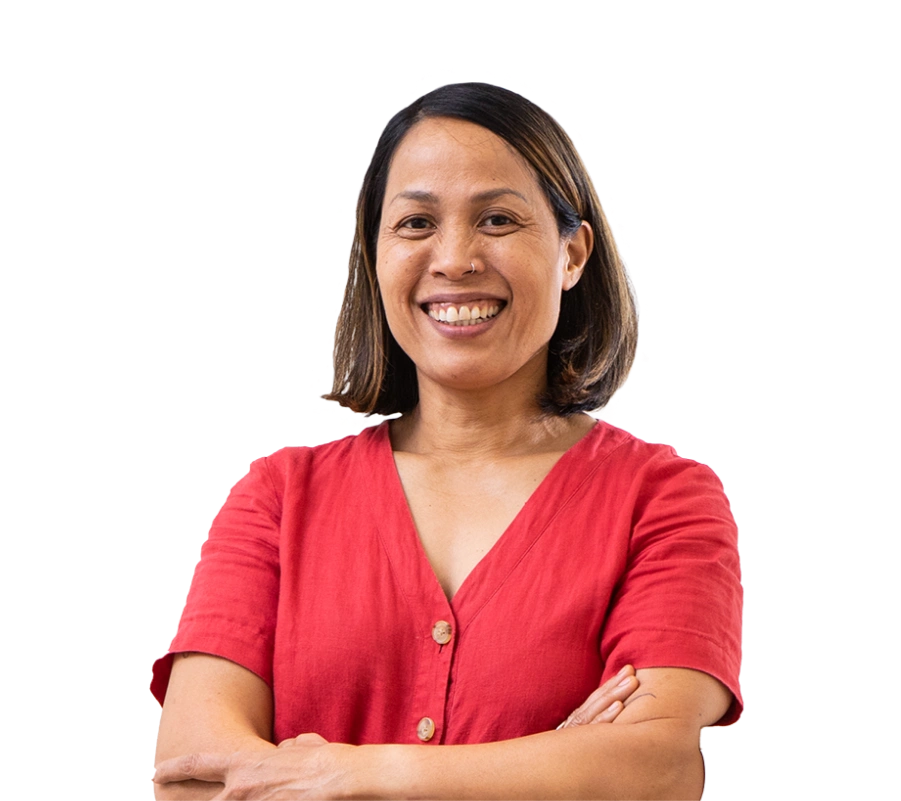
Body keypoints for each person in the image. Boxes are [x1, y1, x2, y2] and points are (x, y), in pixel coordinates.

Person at [151, 80, 743, 800]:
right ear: (373, 254)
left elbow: (652, 768)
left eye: (497, 219)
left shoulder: (662, 498)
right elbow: (190, 779)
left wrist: (349, 770)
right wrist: (548, 767)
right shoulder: (276, 499)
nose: (455, 257)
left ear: (573, 252)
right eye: (415, 224)